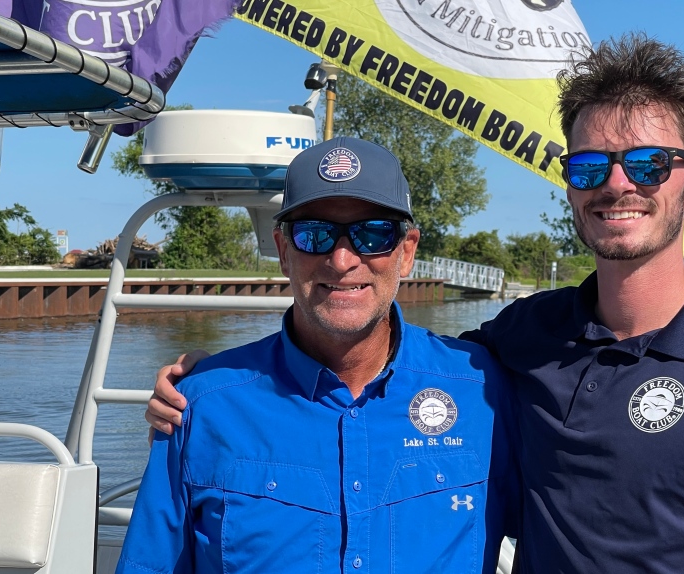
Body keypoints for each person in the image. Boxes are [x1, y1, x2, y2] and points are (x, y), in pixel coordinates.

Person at [144, 35, 684, 573]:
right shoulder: (519, 345)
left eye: (648, 163)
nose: (617, 184)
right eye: (590, 165)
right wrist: (217, 379)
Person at [117, 137, 520, 574]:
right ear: (284, 252)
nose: (343, 259)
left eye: (373, 233)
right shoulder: (198, 407)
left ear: (406, 252)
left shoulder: (486, 391)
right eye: (315, 234)